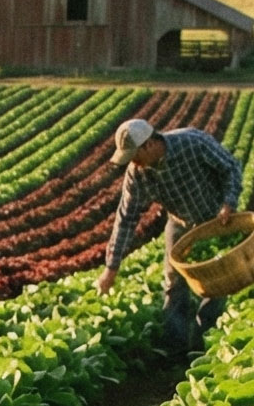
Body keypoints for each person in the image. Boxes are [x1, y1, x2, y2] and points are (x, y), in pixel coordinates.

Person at [96, 117, 242, 354]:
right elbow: (126, 219)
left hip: (215, 219)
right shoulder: (137, 174)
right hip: (180, 221)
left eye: (135, 155)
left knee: (217, 279)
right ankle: (175, 350)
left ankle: (205, 345)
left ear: (149, 145)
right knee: (174, 282)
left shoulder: (193, 143)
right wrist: (111, 268)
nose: (133, 162)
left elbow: (230, 168)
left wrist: (229, 202)